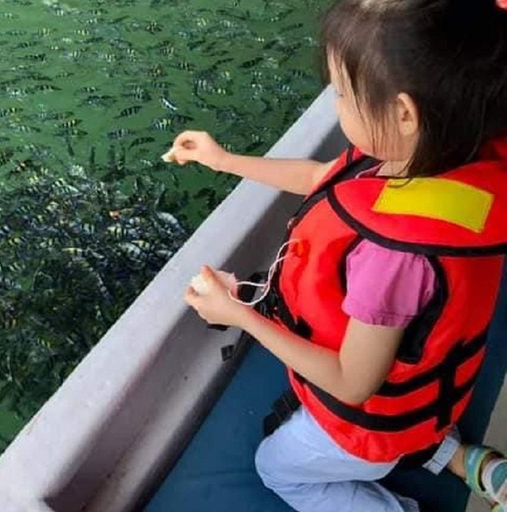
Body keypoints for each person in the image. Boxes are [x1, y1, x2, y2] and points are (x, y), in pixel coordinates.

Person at [169, 0, 507, 510]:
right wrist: (223, 161)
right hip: (427, 398)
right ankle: (455, 456)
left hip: (368, 430)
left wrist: (236, 314)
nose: (337, 104)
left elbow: (353, 383)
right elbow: (318, 179)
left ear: (404, 113)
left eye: (343, 94)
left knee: (278, 469)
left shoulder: (393, 259)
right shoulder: (441, 155)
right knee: (408, 423)